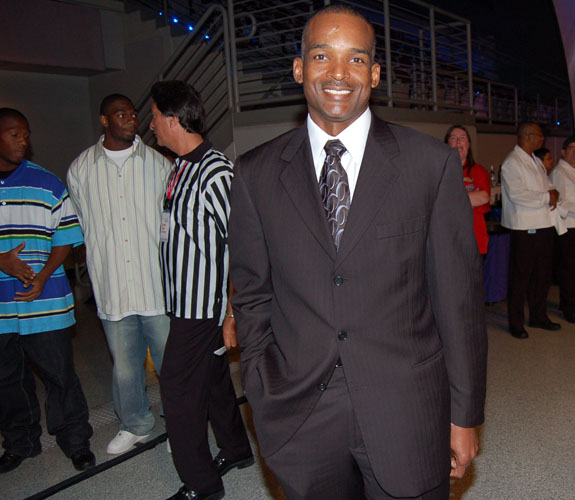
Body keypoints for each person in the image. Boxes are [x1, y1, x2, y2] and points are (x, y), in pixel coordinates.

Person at [229, 6, 487, 500]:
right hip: (299, 412)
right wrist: (262, 385)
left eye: (356, 59)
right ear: (299, 67)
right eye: (322, 55)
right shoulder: (255, 174)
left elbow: (458, 304)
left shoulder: (428, 165)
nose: (338, 74)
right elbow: (253, 295)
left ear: (375, 73)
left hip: (407, 410)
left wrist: (464, 415)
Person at [150, 80, 253, 500]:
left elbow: (243, 248)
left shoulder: (215, 171)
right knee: (212, 381)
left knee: (175, 391)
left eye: (155, 117)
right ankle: (236, 448)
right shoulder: (179, 167)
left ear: (173, 119)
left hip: (203, 310)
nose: (151, 126)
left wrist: (232, 315)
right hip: (184, 304)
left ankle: (201, 484)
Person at [67, 94, 172, 454]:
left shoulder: (159, 165)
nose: (131, 119)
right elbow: (83, 226)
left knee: (169, 363)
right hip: (113, 288)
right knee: (125, 368)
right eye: (120, 114)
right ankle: (136, 424)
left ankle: (180, 424)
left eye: (133, 113)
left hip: (155, 286)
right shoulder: (81, 169)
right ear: (104, 120)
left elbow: (169, 225)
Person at [0, 108, 95, 473]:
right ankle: (20, 442)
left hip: (46, 301)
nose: (23, 141)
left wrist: (43, 275)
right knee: (7, 380)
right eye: (14, 134)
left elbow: (68, 237)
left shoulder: (47, 183)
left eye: (26, 134)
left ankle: (75, 441)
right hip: (3, 308)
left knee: (60, 375)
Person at [501, 122, 562, 339]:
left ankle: (538, 316)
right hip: (525, 228)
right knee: (521, 278)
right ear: (527, 137)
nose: (542, 140)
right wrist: (547, 197)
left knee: (542, 276)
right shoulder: (511, 163)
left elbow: (546, 186)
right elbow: (518, 195)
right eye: (539, 136)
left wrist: (552, 192)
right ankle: (515, 322)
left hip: (543, 225)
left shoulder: (535, 160)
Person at [445, 125, 491, 255]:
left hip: (473, 241)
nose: (458, 142)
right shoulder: (438, 171)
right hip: (446, 241)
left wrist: (447, 197)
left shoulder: (478, 171)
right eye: (453, 138)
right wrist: (469, 197)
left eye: (462, 138)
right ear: (447, 144)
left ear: (469, 144)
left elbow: (483, 197)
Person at [550, 136, 575, 322]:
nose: (574, 153)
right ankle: (569, 308)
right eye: (572, 148)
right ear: (564, 151)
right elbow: (560, 203)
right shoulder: (560, 172)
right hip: (567, 227)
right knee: (569, 270)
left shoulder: (572, 171)